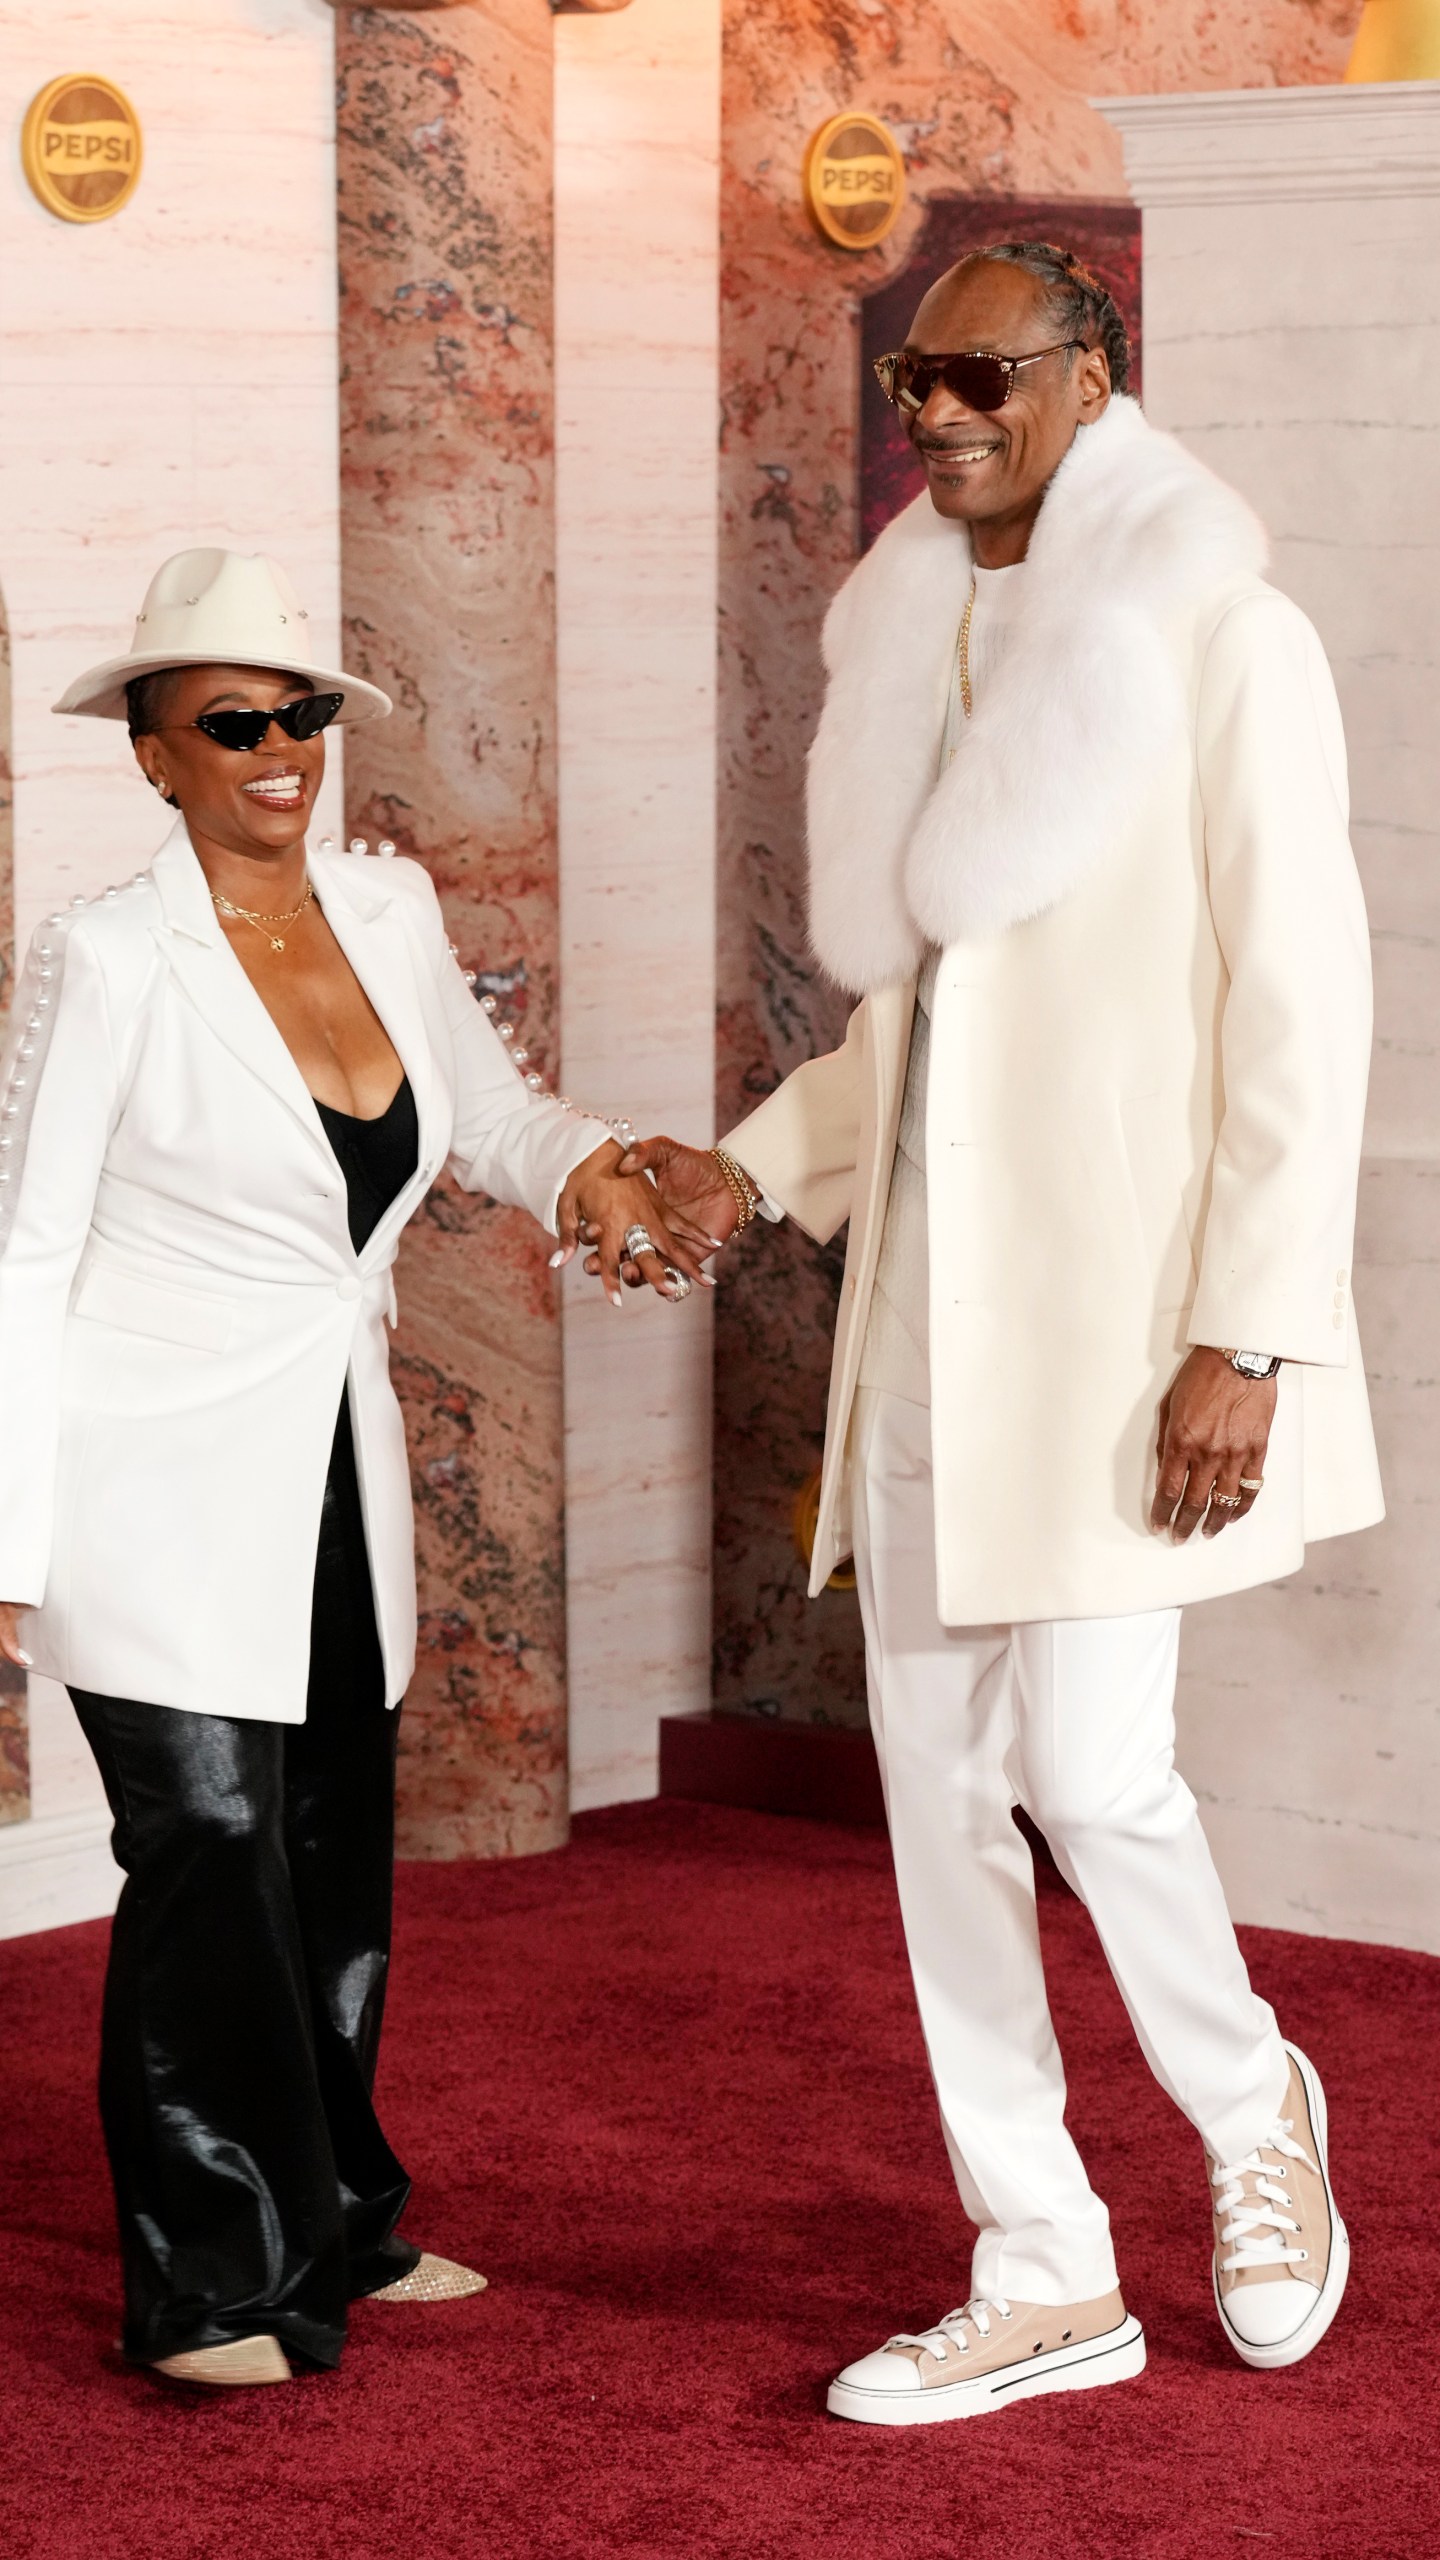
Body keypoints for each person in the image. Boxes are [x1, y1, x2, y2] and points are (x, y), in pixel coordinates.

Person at [616, 242, 1381, 2425]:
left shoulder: (1218, 626)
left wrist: (1250, 1331)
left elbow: (1300, 1022)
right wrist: (752, 1167)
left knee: (1093, 1766)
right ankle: (1044, 2259)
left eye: (983, 371)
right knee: (942, 1799)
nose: (938, 408)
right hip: (929, 1330)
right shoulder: (924, 631)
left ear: (1091, 370)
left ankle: (1254, 2121)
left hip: (1132, 1338)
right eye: (915, 373)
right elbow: (922, 1038)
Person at [0, 547, 704, 2389]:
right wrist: (1, 1536)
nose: (280, 746)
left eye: (303, 711)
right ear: (152, 753)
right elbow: (20, 1252)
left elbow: (488, 1116)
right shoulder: (106, 949)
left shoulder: (386, 911)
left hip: (333, 1458)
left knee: (326, 1850)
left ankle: (342, 2214)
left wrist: (595, 1171)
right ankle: (217, 2281)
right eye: (232, 719)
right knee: (208, 1846)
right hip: (140, 1471)